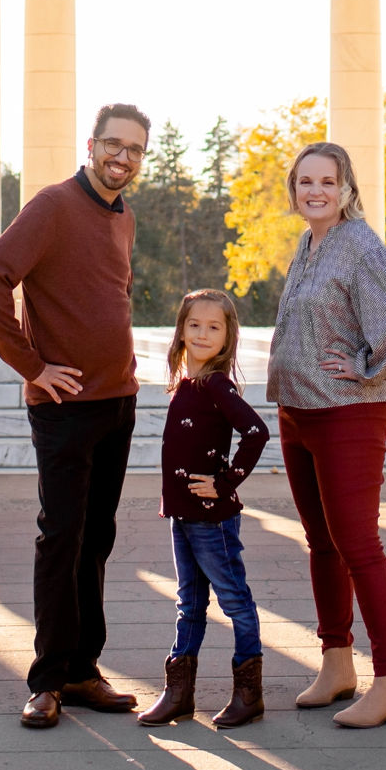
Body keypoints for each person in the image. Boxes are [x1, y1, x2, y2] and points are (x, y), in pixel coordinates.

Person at [0, 103, 151, 730]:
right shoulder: (51, 205)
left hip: (117, 401)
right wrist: (32, 366)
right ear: (92, 144)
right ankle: (46, 681)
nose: (122, 158)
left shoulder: (123, 216)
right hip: (64, 409)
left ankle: (81, 670)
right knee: (61, 538)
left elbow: (108, 295)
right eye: (113, 145)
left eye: (134, 149)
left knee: (96, 540)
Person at [266, 139, 386, 728]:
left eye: (327, 181)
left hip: (348, 412)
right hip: (299, 411)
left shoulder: (357, 243)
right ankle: (337, 664)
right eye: (305, 181)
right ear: (294, 191)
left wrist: (366, 365)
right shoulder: (308, 244)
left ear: (347, 189)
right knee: (322, 543)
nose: (315, 191)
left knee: (358, 545)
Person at [137, 288, 271, 730]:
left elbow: (256, 432)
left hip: (211, 520)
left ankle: (248, 692)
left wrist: (225, 481)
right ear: (180, 330)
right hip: (182, 515)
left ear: (228, 336)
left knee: (234, 599)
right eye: (194, 324)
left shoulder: (216, 384)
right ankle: (179, 693)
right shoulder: (185, 383)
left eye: (214, 327)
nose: (202, 333)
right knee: (189, 603)